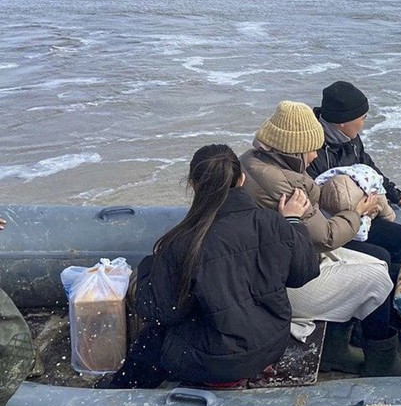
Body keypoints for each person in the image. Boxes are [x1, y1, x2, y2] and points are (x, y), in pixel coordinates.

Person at [110, 144, 320, 388]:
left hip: (213, 361)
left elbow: (160, 310)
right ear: (241, 180)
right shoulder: (272, 222)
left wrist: (149, 266)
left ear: (193, 185)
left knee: (152, 337)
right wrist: (292, 221)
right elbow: (305, 271)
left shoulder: (183, 241)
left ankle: (117, 393)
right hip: (271, 344)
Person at [240, 100, 401, 376]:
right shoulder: (284, 184)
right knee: (378, 277)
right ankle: (381, 362)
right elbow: (325, 237)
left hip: (270, 264)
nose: (314, 156)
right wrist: (357, 213)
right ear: (295, 148)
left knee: (379, 259)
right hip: (281, 283)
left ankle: (337, 349)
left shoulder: (252, 161)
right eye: (311, 149)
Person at [308, 81, 401, 278]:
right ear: (343, 121)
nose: (364, 122)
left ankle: (392, 291)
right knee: (381, 258)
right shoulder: (311, 149)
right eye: (363, 118)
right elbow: (313, 203)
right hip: (331, 227)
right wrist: (356, 211)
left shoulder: (350, 138)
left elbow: (368, 167)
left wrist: (396, 196)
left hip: (361, 215)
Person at [315, 164, 397, 242]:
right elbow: (359, 235)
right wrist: (364, 214)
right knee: (383, 252)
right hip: (338, 228)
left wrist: (396, 196)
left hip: (343, 220)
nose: (315, 155)